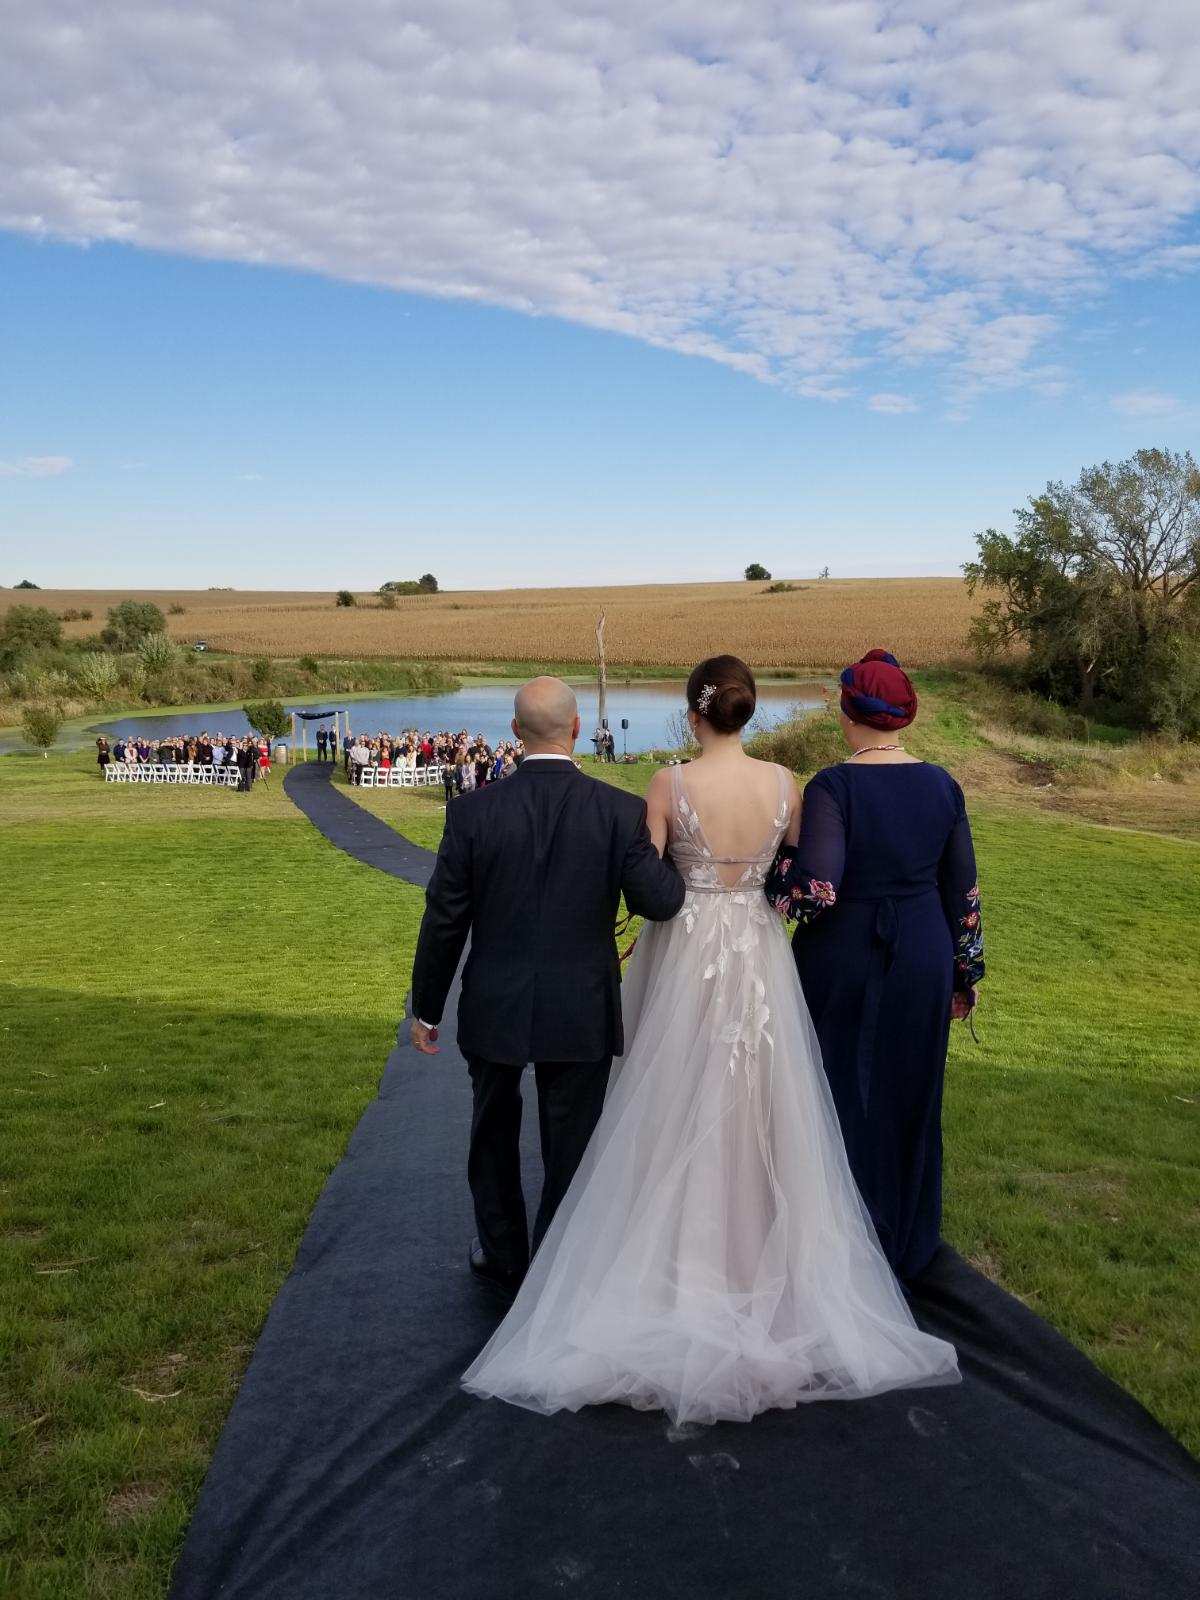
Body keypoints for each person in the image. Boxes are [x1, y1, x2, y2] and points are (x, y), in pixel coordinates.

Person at [460, 655, 958, 1426]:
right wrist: (754, 893)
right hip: (756, 948)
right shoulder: (788, 784)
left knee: (667, 1091)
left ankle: (661, 1260)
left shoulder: (668, 785)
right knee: (762, 1097)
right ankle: (760, 1258)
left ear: (694, 714)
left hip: (686, 947)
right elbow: (796, 873)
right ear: (746, 712)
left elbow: (650, 882)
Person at [410, 677, 686, 1304]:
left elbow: (445, 918)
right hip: (580, 1002)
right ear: (577, 730)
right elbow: (661, 900)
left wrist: (427, 1007)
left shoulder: (472, 813)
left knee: (491, 1127)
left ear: (514, 732)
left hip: (494, 1000)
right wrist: (677, 853)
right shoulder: (617, 812)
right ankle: (560, 1258)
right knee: (572, 1139)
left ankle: (503, 1253)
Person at [767, 650, 984, 1280]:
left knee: (837, 1087)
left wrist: (770, 878)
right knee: (912, 1086)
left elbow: (817, 890)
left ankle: (842, 1234)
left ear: (848, 711)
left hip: (845, 952)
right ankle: (908, 1237)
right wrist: (964, 974)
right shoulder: (943, 784)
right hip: (923, 951)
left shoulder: (833, 787)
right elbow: (964, 892)